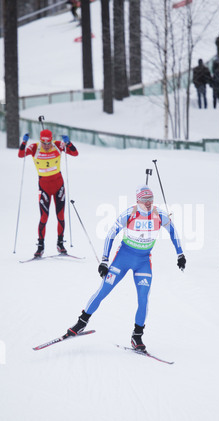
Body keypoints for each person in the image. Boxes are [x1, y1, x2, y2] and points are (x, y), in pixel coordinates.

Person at [66, 185, 187, 351]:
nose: (148, 203)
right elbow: (110, 235)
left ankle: (137, 336)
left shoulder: (159, 215)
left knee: (143, 299)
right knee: (103, 290)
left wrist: (180, 255)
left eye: (150, 199)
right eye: (144, 200)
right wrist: (104, 261)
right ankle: (81, 322)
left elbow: (173, 232)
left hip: (143, 262)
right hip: (122, 259)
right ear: (137, 200)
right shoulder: (129, 214)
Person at [18, 129, 78, 257]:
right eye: (44, 143)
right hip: (44, 187)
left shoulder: (57, 145)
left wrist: (68, 143)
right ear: (40, 141)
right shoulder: (34, 148)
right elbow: (20, 154)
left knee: (60, 216)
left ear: (51, 140)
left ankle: (60, 244)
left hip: (58, 186)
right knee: (44, 217)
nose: (46, 146)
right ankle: (40, 246)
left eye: (48, 143)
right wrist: (24, 142)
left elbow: (75, 153)